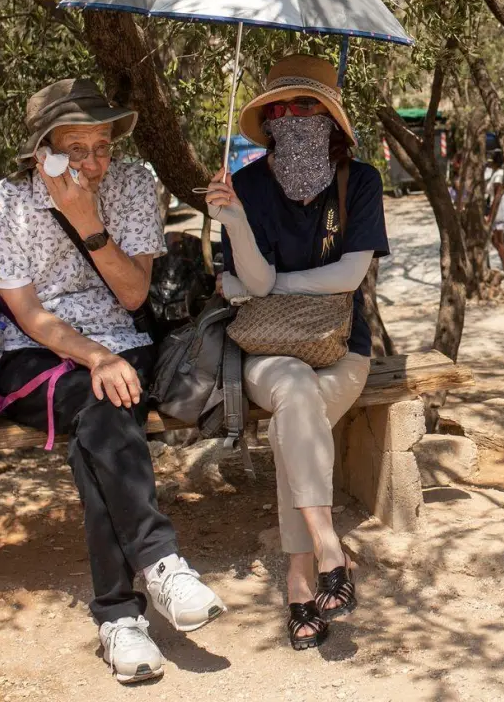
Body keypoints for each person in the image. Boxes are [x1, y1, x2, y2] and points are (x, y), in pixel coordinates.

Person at [0, 78, 225, 685]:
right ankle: (160, 562)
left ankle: (119, 618)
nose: (91, 162)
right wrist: (94, 358)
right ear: (42, 152)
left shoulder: (134, 185)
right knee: (104, 399)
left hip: (124, 340)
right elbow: (29, 315)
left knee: (101, 420)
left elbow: (134, 292)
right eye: (74, 148)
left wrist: (87, 221)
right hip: (34, 353)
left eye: (101, 146)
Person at [204, 54, 390, 652]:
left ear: (330, 117)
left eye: (305, 104)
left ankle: (301, 576)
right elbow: (250, 282)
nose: (291, 116)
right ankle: (326, 547)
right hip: (268, 351)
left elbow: (350, 273)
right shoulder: (249, 185)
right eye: (279, 107)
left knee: (297, 413)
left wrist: (271, 282)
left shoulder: (358, 181)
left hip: (342, 351)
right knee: (294, 393)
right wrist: (233, 221)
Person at [486, 151, 504, 276]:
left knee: (498, 240)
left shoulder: (498, 175)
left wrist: (491, 216)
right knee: (495, 239)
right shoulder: (496, 173)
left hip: (500, 208)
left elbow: (497, 196)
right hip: (498, 206)